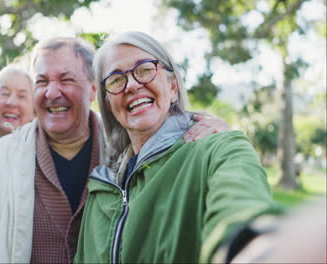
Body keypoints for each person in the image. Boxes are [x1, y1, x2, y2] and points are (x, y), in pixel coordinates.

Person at [0, 36, 231, 263]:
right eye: (41, 82)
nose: (52, 93)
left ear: (92, 90)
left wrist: (205, 125)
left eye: (65, 80)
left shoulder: (128, 152)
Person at [74, 31, 282, 264]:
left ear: (173, 87)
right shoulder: (101, 186)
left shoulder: (219, 149)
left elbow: (242, 209)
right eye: (115, 79)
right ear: (109, 105)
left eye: (144, 69)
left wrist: (251, 246)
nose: (131, 85)